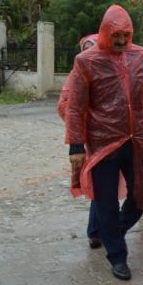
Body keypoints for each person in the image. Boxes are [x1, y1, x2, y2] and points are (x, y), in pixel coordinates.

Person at [65, 5, 143, 281]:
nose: (122, 41)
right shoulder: (86, 62)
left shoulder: (141, 57)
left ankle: (112, 231)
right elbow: (76, 106)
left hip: (136, 141)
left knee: (140, 195)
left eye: (126, 35)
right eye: (116, 35)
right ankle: (117, 256)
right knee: (107, 203)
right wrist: (76, 144)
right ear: (104, 33)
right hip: (103, 144)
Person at [57, 34, 101, 249]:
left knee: (104, 187)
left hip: (106, 140)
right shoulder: (76, 74)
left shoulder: (107, 72)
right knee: (100, 186)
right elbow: (65, 106)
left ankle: (100, 230)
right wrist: (83, 123)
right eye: (87, 49)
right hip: (86, 142)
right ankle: (96, 231)